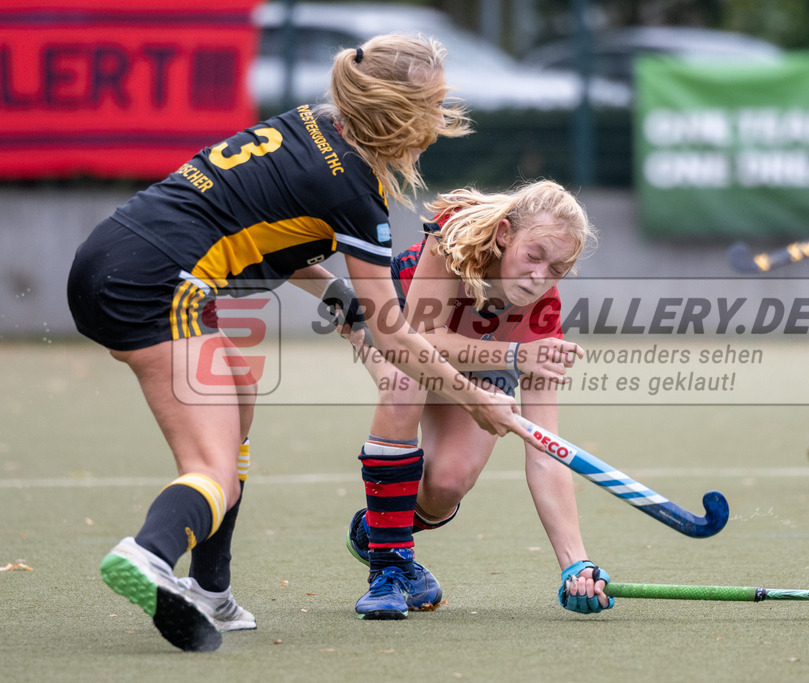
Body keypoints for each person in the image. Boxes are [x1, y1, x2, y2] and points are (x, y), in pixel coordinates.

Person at [66, 34, 526, 652]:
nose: (438, 124)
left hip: (111, 255)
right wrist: (473, 397)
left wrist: (332, 288)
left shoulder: (306, 125)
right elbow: (393, 334)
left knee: (239, 392)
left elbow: (259, 229)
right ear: (400, 114)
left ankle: (211, 590)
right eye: (433, 108)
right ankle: (149, 554)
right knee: (212, 470)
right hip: (154, 285)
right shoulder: (358, 195)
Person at [340, 180, 614, 619]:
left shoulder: (543, 320)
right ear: (506, 233)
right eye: (534, 255)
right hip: (397, 320)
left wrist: (575, 563)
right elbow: (419, 340)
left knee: (446, 484)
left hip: (480, 356)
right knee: (403, 383)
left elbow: (545, 450)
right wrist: (515, 354)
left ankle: (374, 528)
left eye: (558, 269)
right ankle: (389, 568)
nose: (540, 276)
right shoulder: (457, 238)